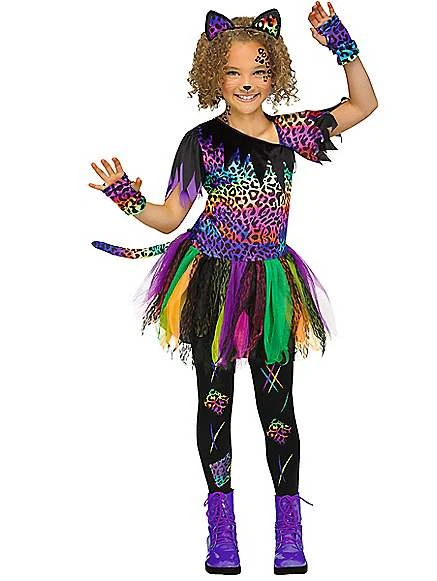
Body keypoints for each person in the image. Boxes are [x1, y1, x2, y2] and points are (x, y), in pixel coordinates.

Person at [89, 4, 377, 575]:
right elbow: (170, 217)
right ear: (212, 74)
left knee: (278, 406)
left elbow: (363, 105)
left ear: (277, 75)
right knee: (214, 400)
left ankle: (289, 530)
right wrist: (126, 196)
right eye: (233, 72)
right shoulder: (200, 141)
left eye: (259, 71)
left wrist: (340, 44)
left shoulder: (291, 132)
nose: (247, 83)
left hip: (271, 284)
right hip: (214, 283)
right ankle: (222, 529)